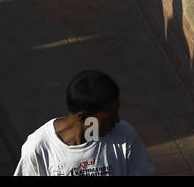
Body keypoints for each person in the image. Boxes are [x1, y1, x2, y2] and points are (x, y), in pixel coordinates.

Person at [12, 69, 153, 176]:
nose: (117, 120)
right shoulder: (39, 149)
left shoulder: (124, 136)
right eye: (110, 116)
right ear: (84, 117)